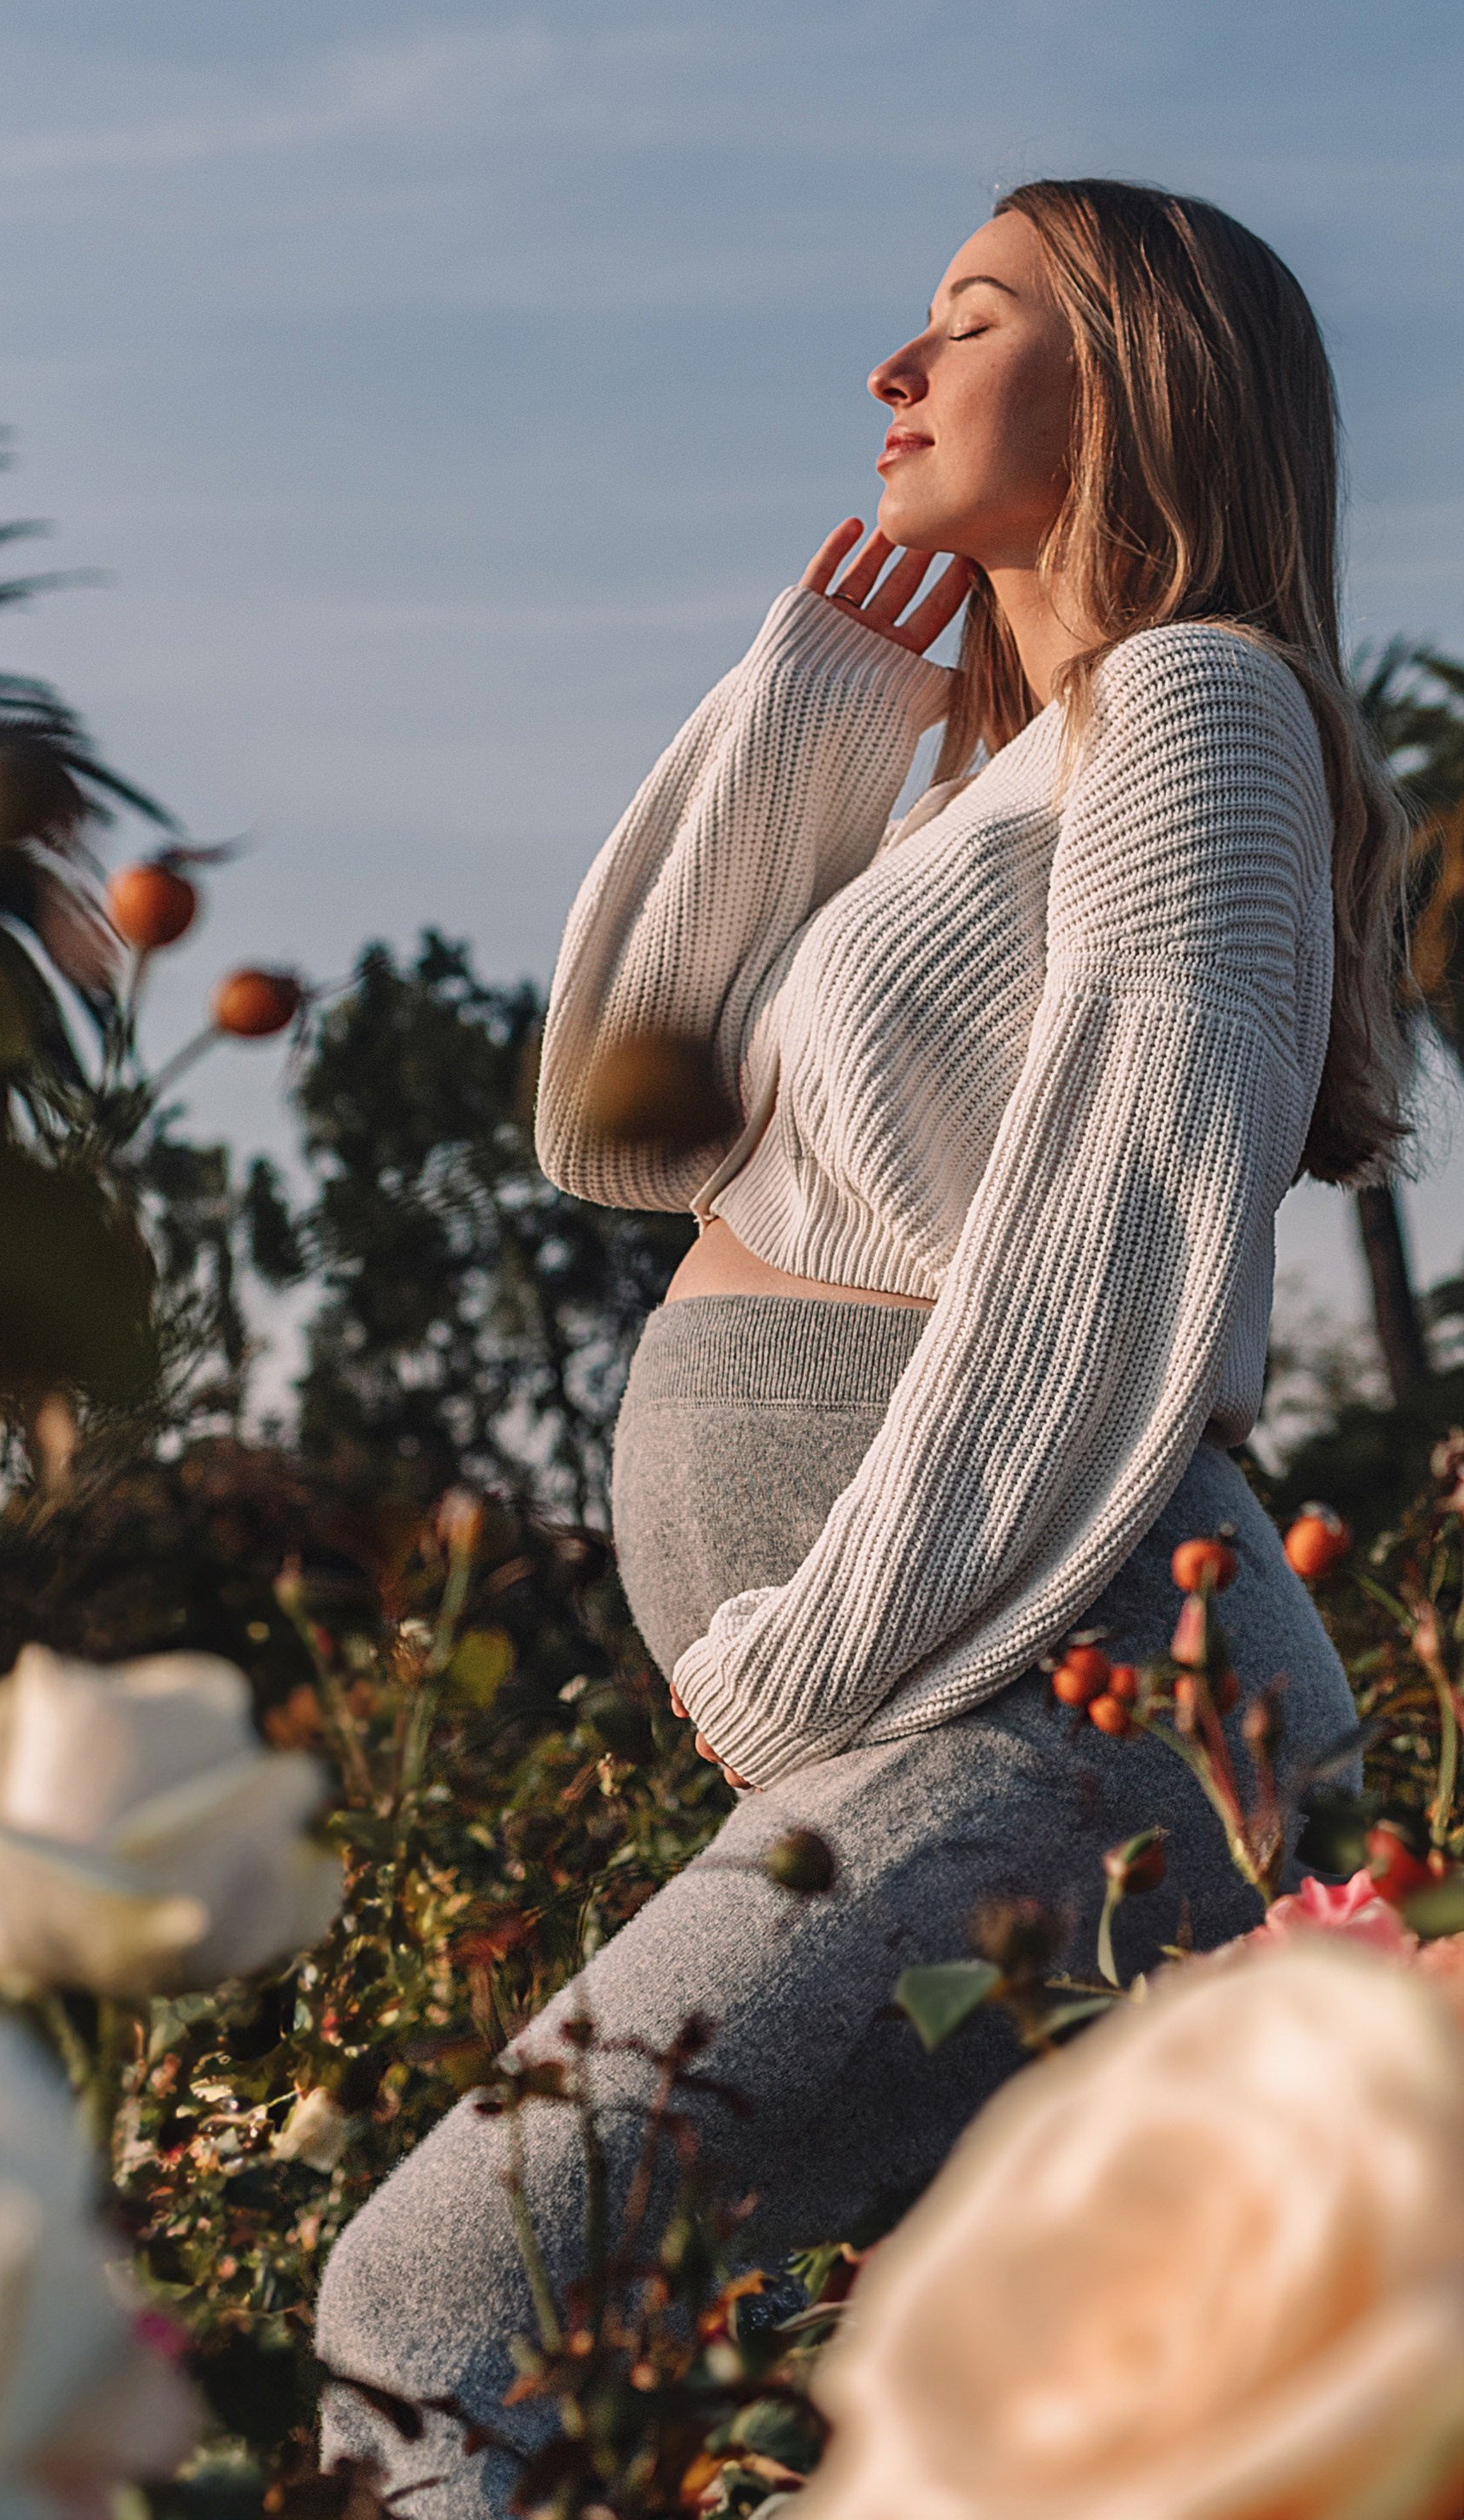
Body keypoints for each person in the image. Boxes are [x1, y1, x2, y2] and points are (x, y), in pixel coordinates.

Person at [316, 179, 1403, 2510]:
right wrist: (820, 706)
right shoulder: (998, 777)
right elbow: (623, 1103)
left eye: (971, 320)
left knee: (444, 2303)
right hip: (959, 1685)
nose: (894, 371)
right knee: (889, 2443)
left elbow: (1124, 1229)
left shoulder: (1198, 702)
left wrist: (823, 1657)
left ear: (1144, 381)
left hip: (1064, 1692)